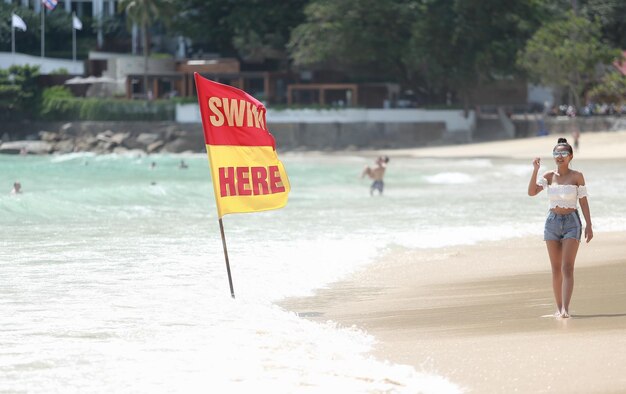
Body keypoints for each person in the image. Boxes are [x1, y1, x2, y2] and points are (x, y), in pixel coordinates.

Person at [527, 137, 593, 318]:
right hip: (552, 223)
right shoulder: (549, 176)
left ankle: (566, 308)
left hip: (572, 222)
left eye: (564, 153)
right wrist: (535, 170)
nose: (560, 156)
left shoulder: (577, 176)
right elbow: (532, 192)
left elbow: (584, 201)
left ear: (570, 156)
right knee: (556, 268)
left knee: (567, 267)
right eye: (556, 153)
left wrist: (589, 225)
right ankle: (558, 308)